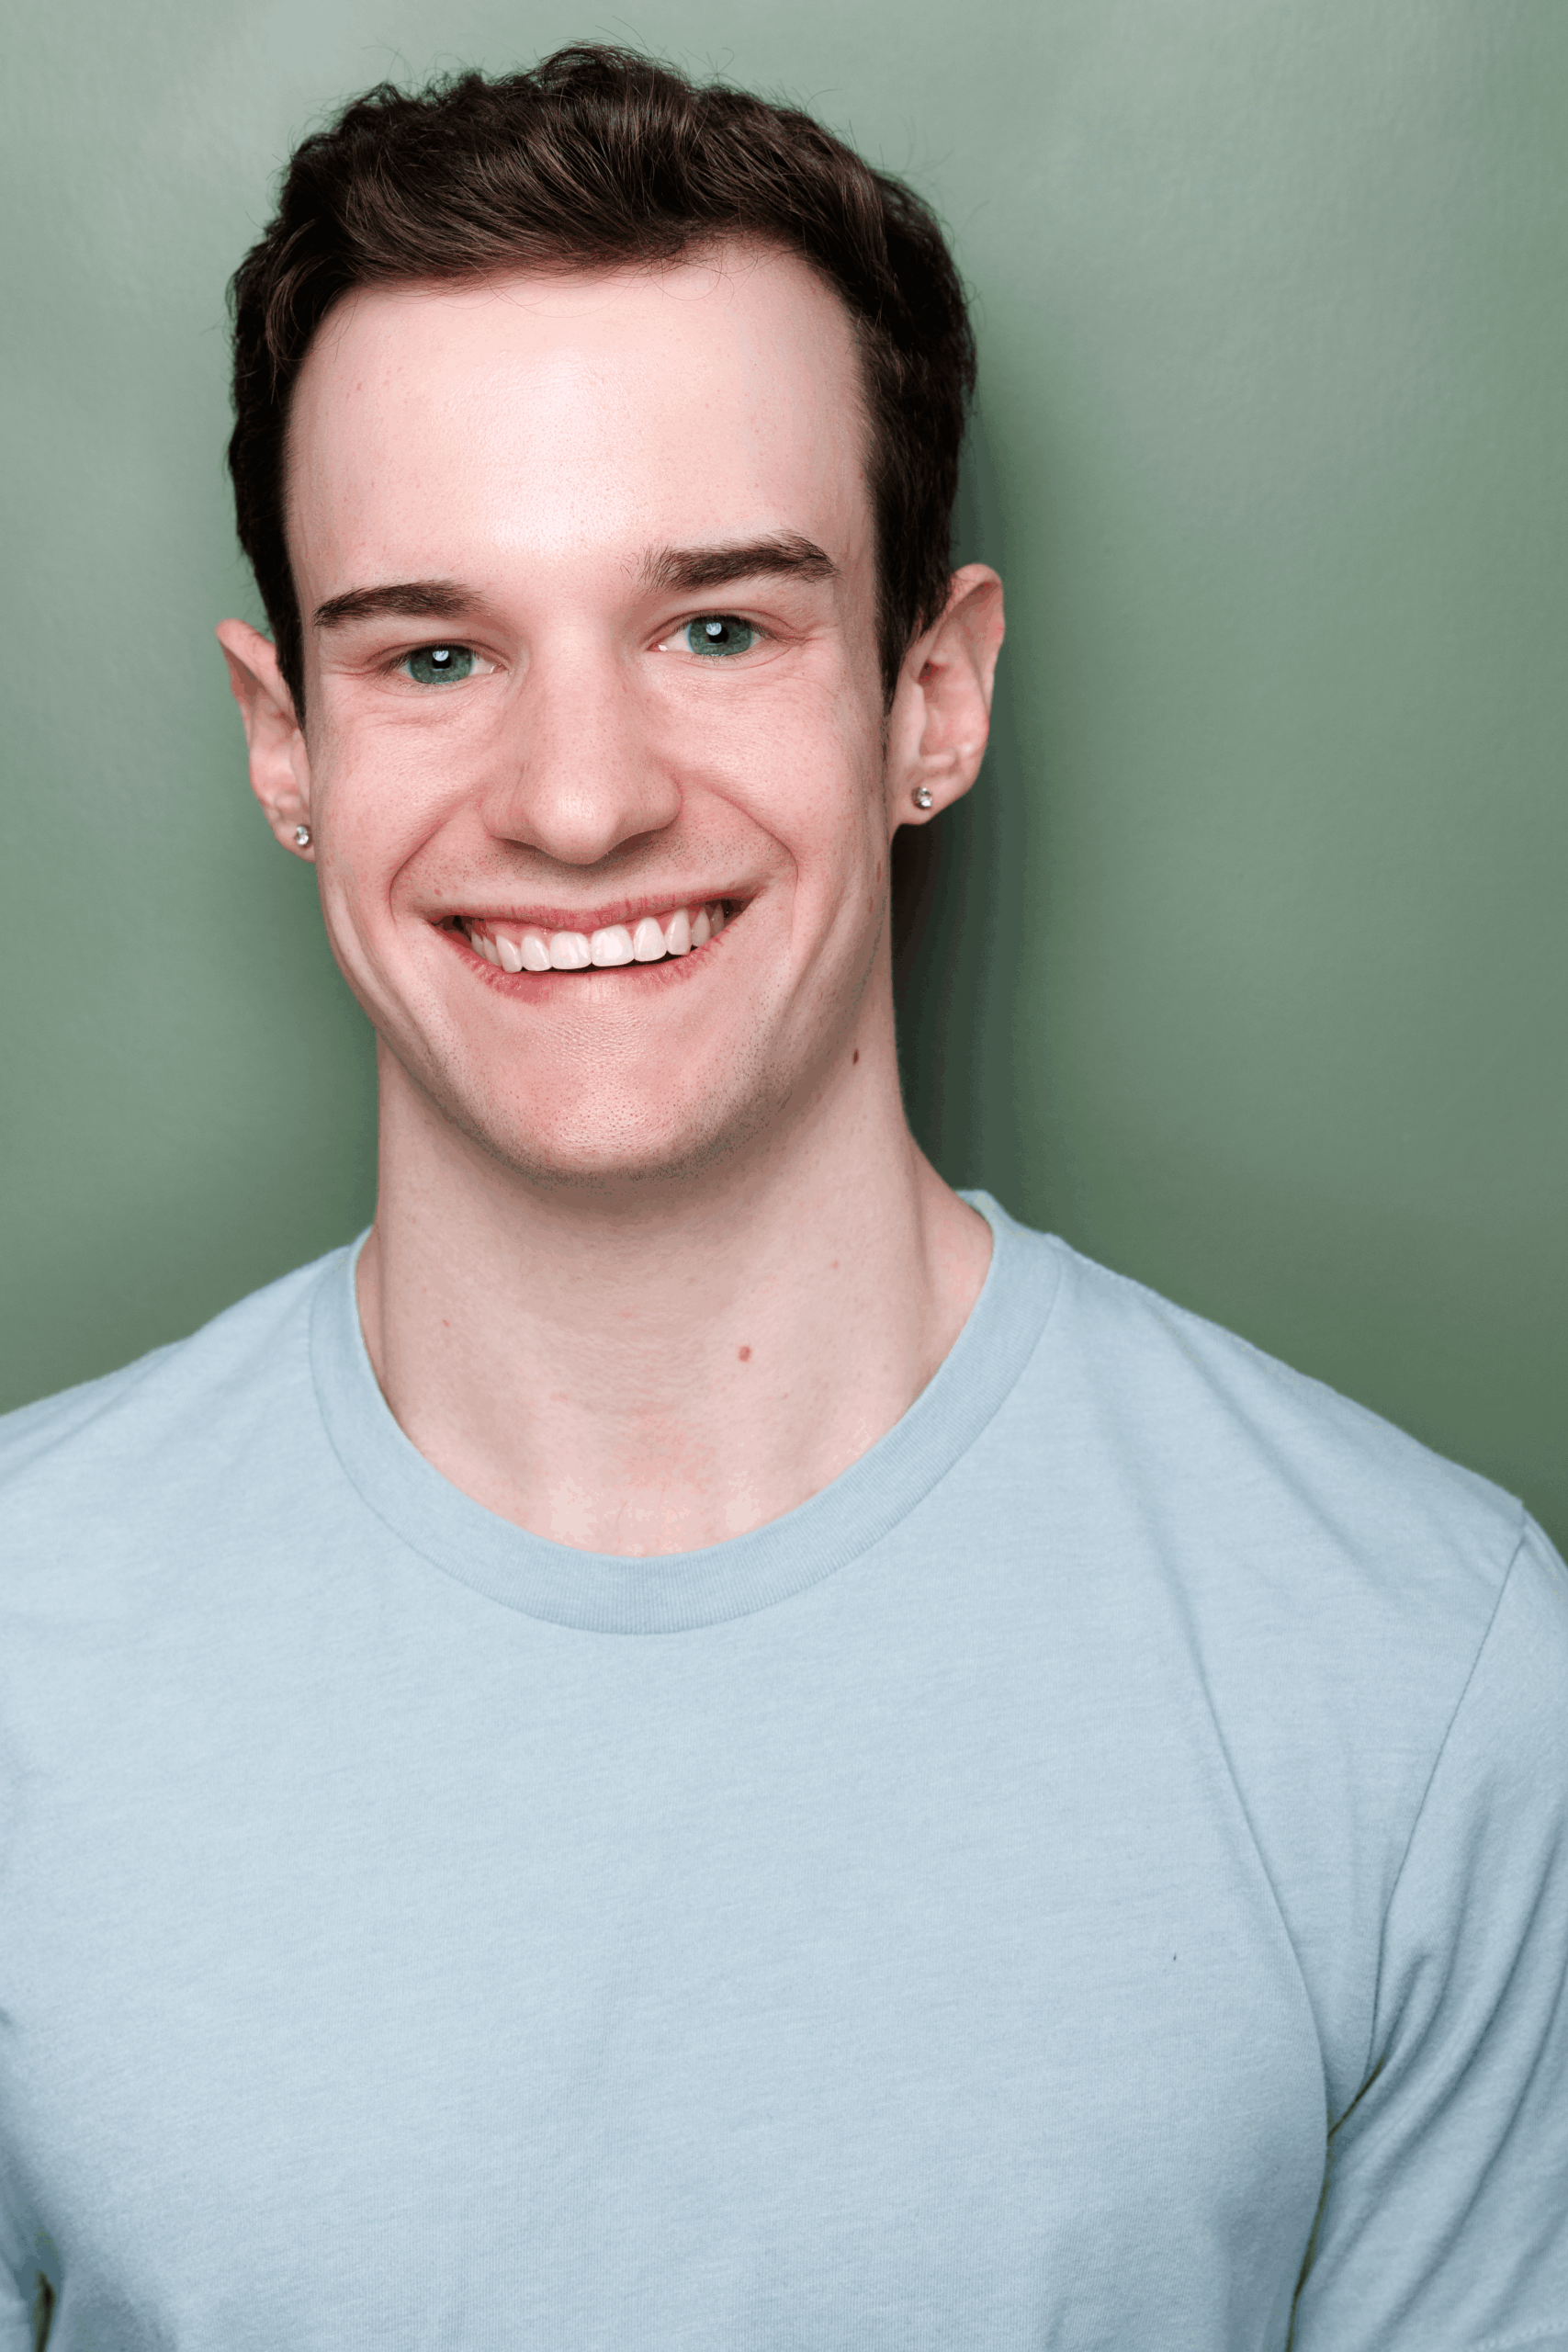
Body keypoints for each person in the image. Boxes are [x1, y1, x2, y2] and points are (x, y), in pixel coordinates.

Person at [2, 43, 1564, 2350]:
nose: (577, 800)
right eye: (433, 652)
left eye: (718, 626)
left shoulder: (1420, 1677)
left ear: (934, 694)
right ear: (282, 742)